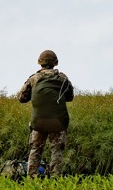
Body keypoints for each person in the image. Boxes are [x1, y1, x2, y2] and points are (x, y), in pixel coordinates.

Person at [17, 50, 74, 178]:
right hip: (58, 122)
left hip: (39, 122)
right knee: (57, 151)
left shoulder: (34, 78)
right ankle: (55, 178)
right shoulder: (63, 78)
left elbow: (21, 98)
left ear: (40, 63)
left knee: (36, 150)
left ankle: (32, 178)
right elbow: (70, 97)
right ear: (55, 63)